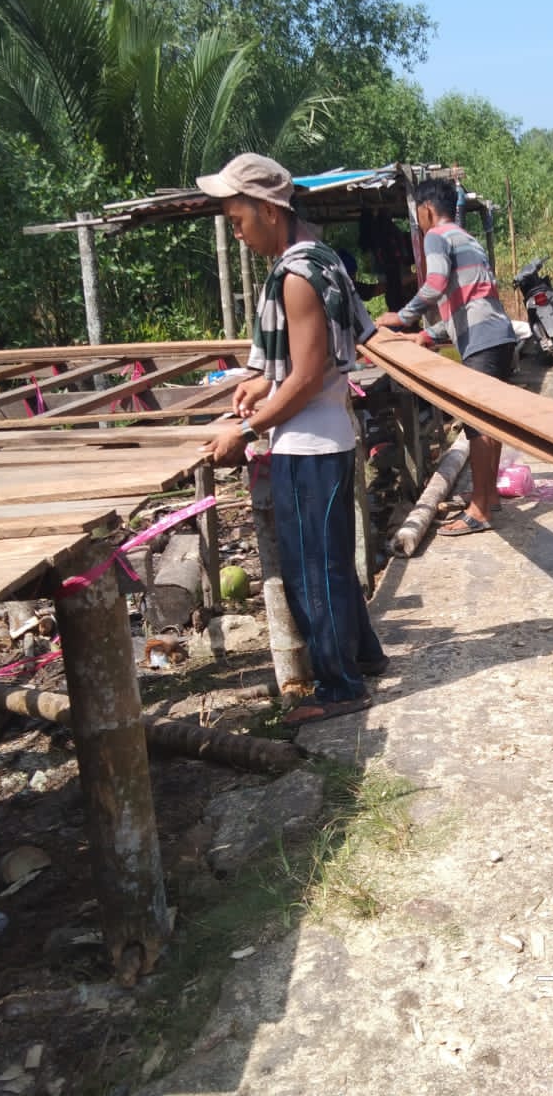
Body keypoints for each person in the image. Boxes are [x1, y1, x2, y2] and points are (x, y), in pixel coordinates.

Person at [198, 153, 387, 726]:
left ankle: (340, 686)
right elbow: (313, 362)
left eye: (239, 219)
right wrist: (260, 382)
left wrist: (246, 430)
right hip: (322, 435)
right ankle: (363, 655)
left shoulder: (298, 276)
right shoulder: (320, 259)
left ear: (269, 210)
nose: (237, 231)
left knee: (313, 568)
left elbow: (307, 377)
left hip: (310, 443)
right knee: (326, 559)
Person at [377, 178, 519, 535]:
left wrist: (403, 315)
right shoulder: (467, 238)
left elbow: (435, 285)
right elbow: (469, 302)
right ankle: (489, 497)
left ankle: (480, 511)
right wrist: (425, 334)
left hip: (482, 342)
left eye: (418, 215)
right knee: (492, 422)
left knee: (476, 426)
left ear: (426, 210)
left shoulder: (436, 236)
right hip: (499, 335)